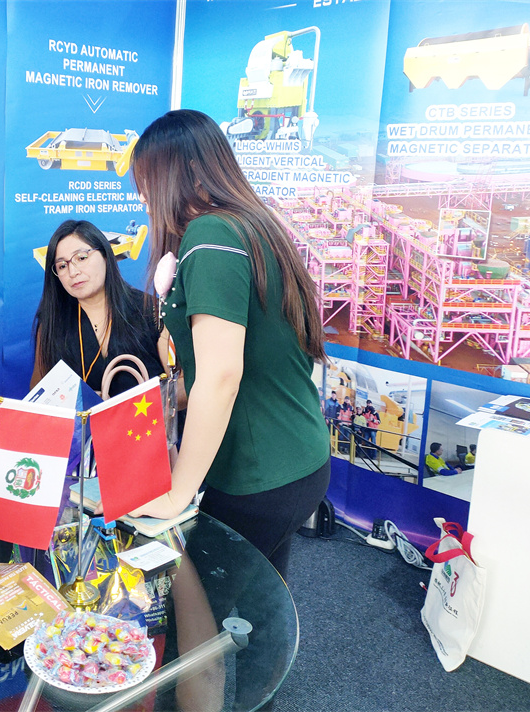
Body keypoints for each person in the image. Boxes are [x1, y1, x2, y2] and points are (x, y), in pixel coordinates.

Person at [127, 109, 330, 579]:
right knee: (257, 614)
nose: (143, 198)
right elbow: (253, 359)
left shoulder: (211, 234)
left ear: (182, 173)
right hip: (298, 459)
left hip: (256, 475)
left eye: (146, 182)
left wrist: (179, 492)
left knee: (200, 619)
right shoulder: (254, 225)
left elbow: (221, 375)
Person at [30, 219, 168, 396]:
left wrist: (133, 406)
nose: (73, 272)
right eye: (62, 266)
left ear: (105, 255)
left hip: (148, 420)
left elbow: (182, 385)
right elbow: (39, 392)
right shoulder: (53, 320)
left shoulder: (151, 310)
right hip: (86, 423)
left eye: (81, 258)